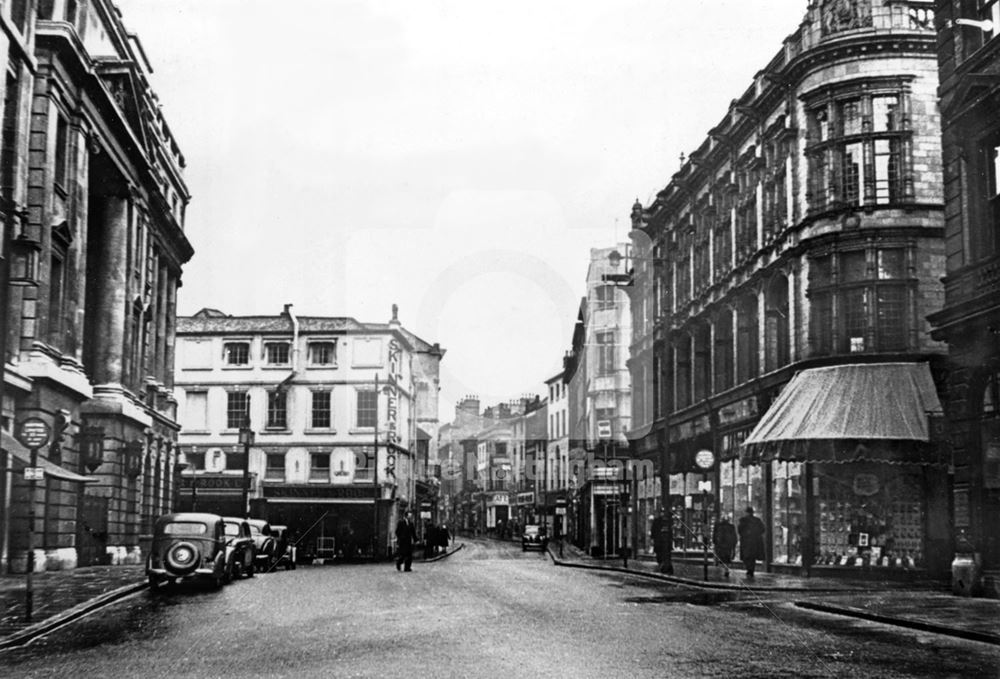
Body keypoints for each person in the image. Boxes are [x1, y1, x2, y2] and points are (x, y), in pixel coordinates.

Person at [737, 506, 766, 578]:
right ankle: (751, 570)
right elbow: (762, 529)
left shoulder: (743, 521)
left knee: (747, 557)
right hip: (755, 542)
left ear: (746, 512)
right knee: (752, 557)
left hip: (746, 541)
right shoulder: (757, 520)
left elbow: (739, 530)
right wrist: (756, 534)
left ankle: (749, 569)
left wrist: (745, 535)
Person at [651, 510, 673, 575]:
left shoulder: (663, 521)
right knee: (662, 554)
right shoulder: (664, 522)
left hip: (662, 542)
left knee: (662, 554)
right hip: (661, 542)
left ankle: (664, 566)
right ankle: (663, 566)